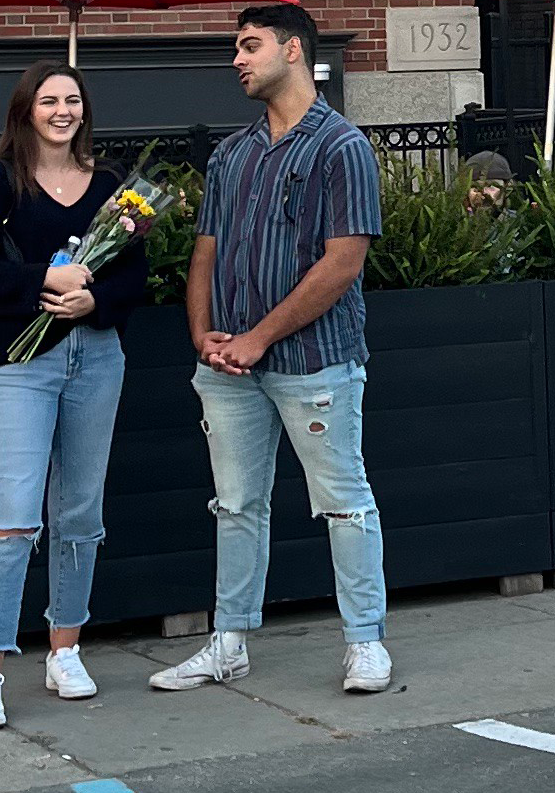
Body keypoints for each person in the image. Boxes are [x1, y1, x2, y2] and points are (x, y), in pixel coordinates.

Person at [151, 2, 392, 697]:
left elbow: (344, 261)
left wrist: (257, 337)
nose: (237, 59)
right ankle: (228, 641)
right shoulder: (231, 154)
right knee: (236, 504)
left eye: (249, 46)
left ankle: (365, 641)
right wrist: (203, 337)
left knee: (344, 502)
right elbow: (206, 251)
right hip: (228, 369)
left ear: (293, 50)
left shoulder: (343, 147)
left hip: (315, 361)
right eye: (236, 47)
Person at [0, 60, 147, 731]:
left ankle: (66, 647)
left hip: (97, 357)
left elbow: (135, 278)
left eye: (72, 100)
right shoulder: (1, 182)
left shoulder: (115, 187)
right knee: (13, 517)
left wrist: (95, 297)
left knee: (80, 512)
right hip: (20, 361)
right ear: (26, 111)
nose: (62, 110)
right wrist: (49, 282)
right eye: (48, 100)